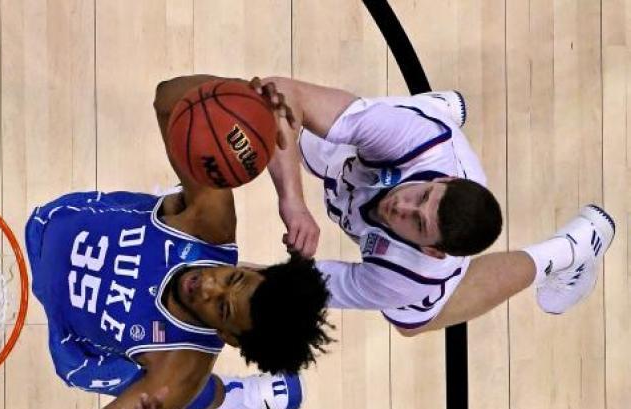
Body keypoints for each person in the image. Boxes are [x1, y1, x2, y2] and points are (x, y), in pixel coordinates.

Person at [25, 75, 331, 409]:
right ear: (250, 269)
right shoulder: (211, 228)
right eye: (231, 278)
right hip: (57, 222)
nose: (207, 285)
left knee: (167, 392)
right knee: (186, 197)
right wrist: (241, 97)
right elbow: (167, 99)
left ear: (229, 336)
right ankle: (179, 199)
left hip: (73, 342)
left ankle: (234, 396)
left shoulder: (181, 368)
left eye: (221, 307)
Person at [251, 77, 614, 334]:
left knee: (411, 321)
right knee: (301, 140)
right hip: (412, 140)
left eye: (419, 224)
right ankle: (429, 110)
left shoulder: (410, 275)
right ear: (443, 180)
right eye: (423, 196)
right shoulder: (417, 142)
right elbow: (278, 91)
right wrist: (293, 201)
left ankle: (572, 250)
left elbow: (296, 287)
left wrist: (204, 268)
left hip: (380, 174)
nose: (403, 208)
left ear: (431, 249)